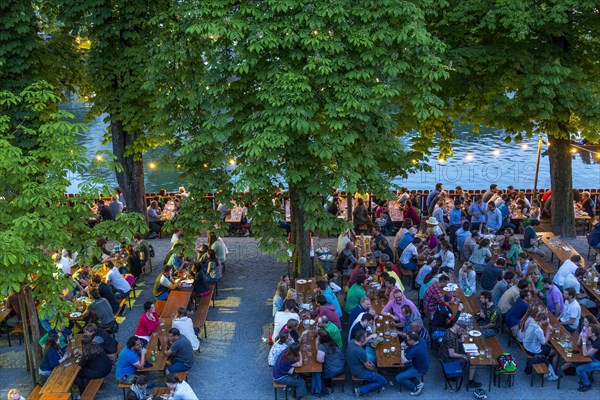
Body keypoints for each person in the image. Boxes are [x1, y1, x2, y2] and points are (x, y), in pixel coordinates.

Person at [440, 320, 481, 388]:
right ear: (459, 328)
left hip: (445, 355)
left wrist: (461, 333)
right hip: (448, 359)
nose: (463, 332)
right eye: (462, 330)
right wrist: (463, 356)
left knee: (465, 352)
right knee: (470, 359)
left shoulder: (450, 330)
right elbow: (451, 354)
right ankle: (470, 382)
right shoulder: (451, 338)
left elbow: (462, 340)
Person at [347, 329, 387, 397]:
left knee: (373, 366)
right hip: (359, 371)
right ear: (362, 339)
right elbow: (367, 366)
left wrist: (370, 363)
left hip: (353, 366)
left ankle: (371, 379)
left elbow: (365, 359)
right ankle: (360, 390)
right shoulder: (360, 351)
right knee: (383, 381)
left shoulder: (352, 342)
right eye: (366, 337)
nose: (366, 338)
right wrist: (375, 369)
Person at [523, 312, 559, 381]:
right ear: (543, 320)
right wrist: (548, 332)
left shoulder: (532, 322)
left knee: (550, 347)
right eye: (546, 320)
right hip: (533, 350)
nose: (546, 322)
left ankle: (550, 364)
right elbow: (544, 343)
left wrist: (548, 324)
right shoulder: (538, 330)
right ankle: (554, 372)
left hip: (526, 345)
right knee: (555, 352)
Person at [396, 331, 429, 395]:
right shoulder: (421, 340)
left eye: (408, 340)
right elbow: (412, 348)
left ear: (413, 340)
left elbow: (404, 360)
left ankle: (415, 387)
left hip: (419, 369)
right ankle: (417, 382)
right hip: (423, 364)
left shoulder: (415, 350)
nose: (407, 341)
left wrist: (402, 349)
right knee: (401, 368)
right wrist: (407, 347)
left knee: (398, 378)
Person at [576, 325, 600, 392]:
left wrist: (584, 341)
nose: (586, 331)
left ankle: (587, 384)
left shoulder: (598, 342)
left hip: (598, 361)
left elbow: (585, 354)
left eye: (588, 330)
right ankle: (588, 376)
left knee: (579, 369)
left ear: (593, 334)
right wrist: (581, 337)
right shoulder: (593, 337)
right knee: (578, 359)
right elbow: (578, 344)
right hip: (595, 357)